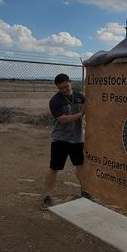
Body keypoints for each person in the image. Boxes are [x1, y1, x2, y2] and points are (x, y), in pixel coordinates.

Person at [42, 73, 89, 209]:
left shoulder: (80, 97)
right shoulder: (55, 101)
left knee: (80, 165)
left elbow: (90, 108)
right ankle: (48, 195)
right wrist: (81, 114)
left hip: (77, 139)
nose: (64, 89)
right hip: (60, 139)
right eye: (60, 88)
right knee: (54, 167)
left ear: (70, 82)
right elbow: (63, 119)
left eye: (65, 86)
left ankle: (85, 191)